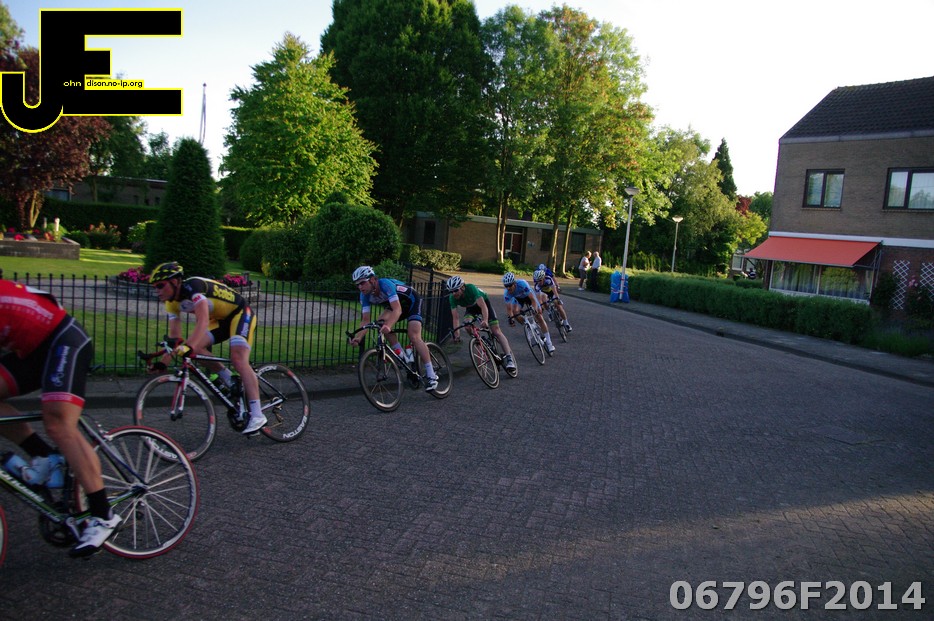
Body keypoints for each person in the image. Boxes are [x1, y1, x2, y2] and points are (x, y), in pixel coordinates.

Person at [0, 279, 121, 557]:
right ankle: (44, 457)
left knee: (58, 423)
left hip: (63, 340)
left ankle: (103, 515)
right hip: (31, 350)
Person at [149, 262, 266, 434]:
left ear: (174, 282)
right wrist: (163, 362)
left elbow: (202, 321)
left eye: (160, 285)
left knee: (238, 359)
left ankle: (257, 415)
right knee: (195, 350)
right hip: (220, 320)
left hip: (240, 313)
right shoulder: (171, 303)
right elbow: (175, 338)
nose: (157, 291)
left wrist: (187, 346)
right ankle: (230, 380)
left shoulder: (195, 288)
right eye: (155, 287)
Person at [348, 265, 440, 391]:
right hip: (395, 306)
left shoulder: (385, 285)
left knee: (414, 336)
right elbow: (365, 320)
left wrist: (388, 325)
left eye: (362, 282)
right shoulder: (364, 296)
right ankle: (403, 356)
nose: (360, 287)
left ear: (373, 279)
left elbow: (397, 310)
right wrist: (358, 338)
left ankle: (431, 375)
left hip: (412, 302)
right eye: (357, 284)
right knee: (380, 324)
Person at [445, 276, 516, 372]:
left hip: (484, 304)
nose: (453, 293)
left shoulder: (471, 288)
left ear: (462, 287)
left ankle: (509, 358)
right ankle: (478, 341)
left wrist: (485, 320)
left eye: (455, 290)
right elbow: (455, 318)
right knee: (467, 326)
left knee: (496, 331)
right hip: (471, 309)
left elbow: (483, 306)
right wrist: (457, 335)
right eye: (451, 291)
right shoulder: (452, 298)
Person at [502, 272, 555, 354]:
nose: (508, 288)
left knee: (539, 315)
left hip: (529, 297)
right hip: (519, 299)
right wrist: (511, 319)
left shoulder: (522, 284)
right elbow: (509, 309)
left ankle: (549, 343)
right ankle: (528, 326)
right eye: (506, 286)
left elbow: (533, 299)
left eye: (510, 285)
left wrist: (534, 309)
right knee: (515, 313)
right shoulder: (506, 293)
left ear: (514, 283)